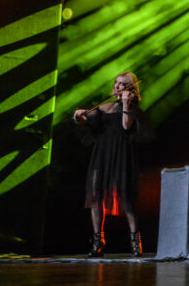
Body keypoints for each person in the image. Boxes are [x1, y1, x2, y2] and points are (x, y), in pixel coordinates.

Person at [73, 71, 146, 257]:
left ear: (130, 88)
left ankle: (136, 242)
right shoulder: (104, 107)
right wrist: (79, 117)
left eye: (122, 84)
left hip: (121, 154)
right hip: (102, 154)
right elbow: (87, 123)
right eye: (116, 83)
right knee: (95, 197)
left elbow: (126, 126)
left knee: (126, 198)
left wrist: (126, 104)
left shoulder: (132, 108)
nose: (117, 86)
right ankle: (98, 241)